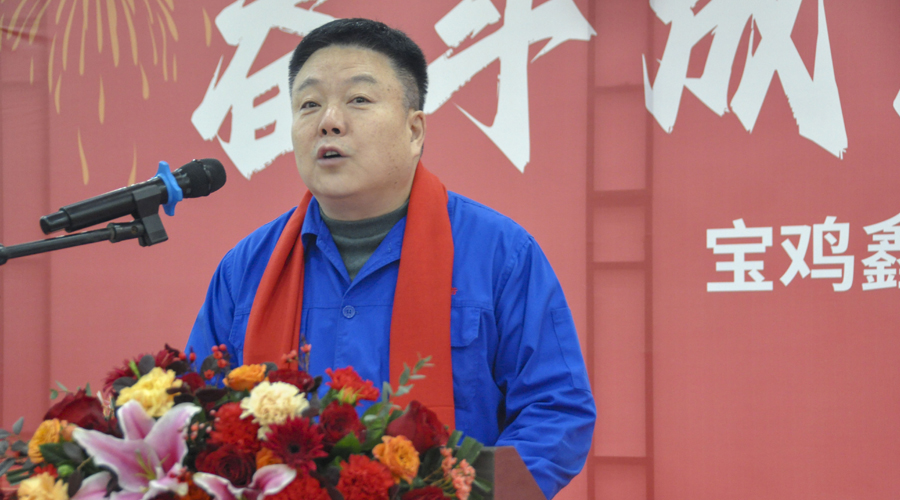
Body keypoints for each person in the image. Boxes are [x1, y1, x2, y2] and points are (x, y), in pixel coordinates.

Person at [186, 18, 595, 499]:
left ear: (414, 129)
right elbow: (197, 415)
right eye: (309, 104)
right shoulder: (245, 270)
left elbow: (556, 411)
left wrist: (471, 493)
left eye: (358, 100)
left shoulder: (501, 255)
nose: (329, 121)